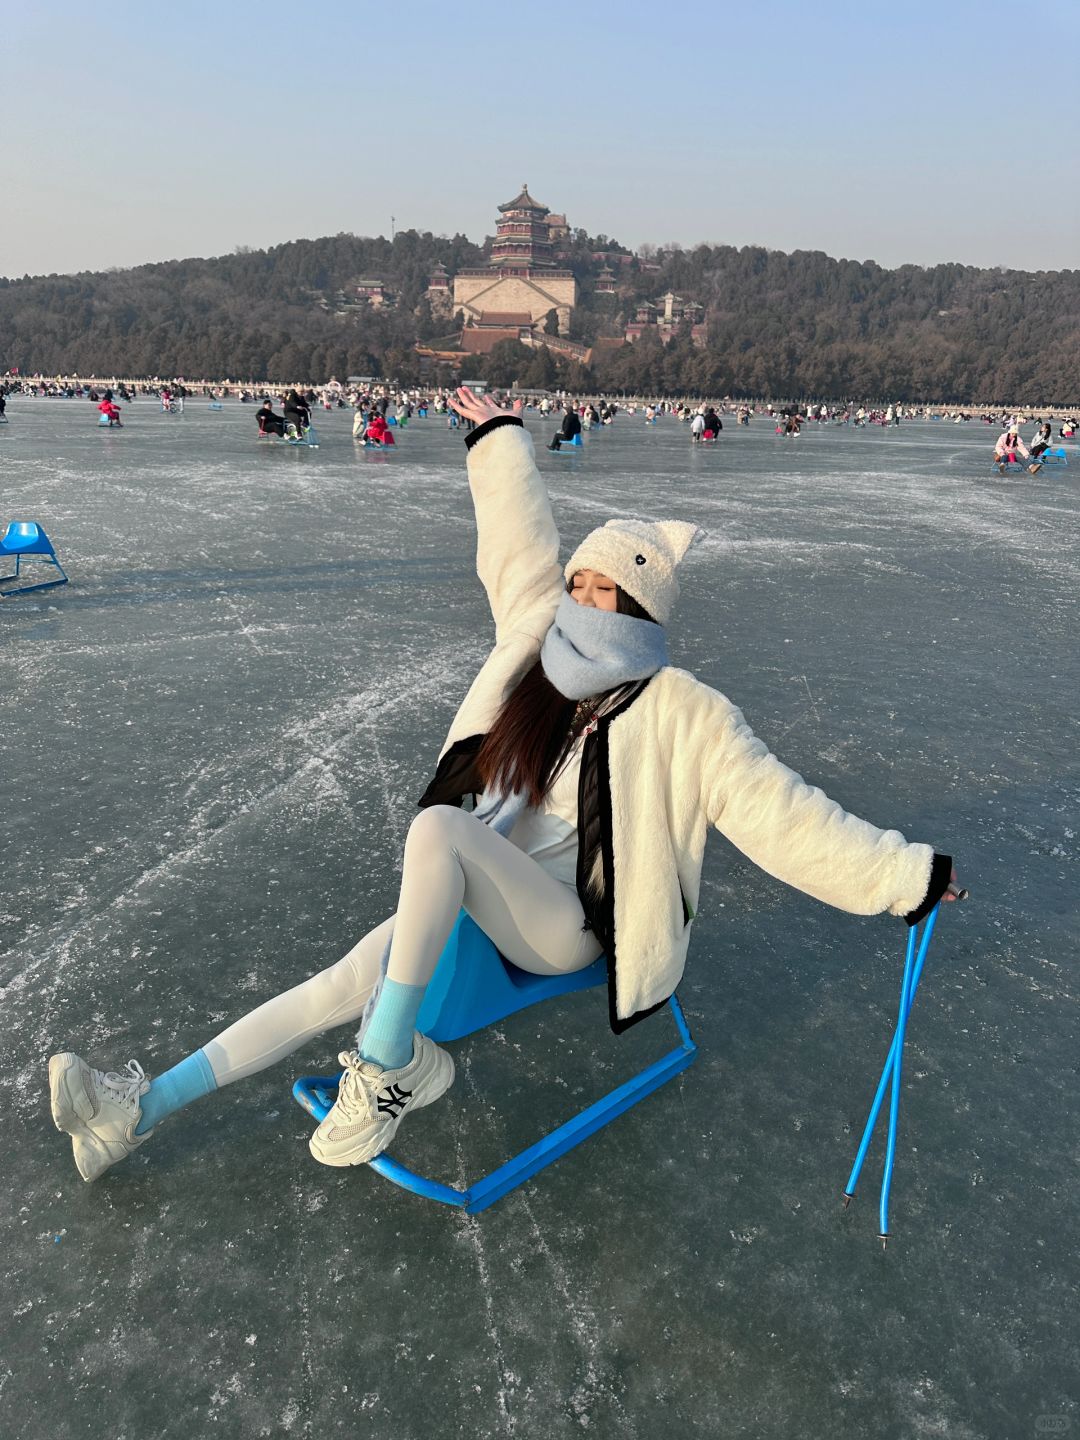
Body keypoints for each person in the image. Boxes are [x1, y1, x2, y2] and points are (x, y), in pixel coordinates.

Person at [47, 385, 961, 1187]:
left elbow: (786, 817)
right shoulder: (538, 646)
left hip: (570, 923)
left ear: (643, 611)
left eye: (605, 592)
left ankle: (385, 1068)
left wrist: (904, 876)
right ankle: (137, 1109)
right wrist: (501, 441)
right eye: (580, 583)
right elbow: (518, 548)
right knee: (339, 978)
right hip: (491, 888)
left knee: (437, 834)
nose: (581, 601)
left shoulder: (686, 713)